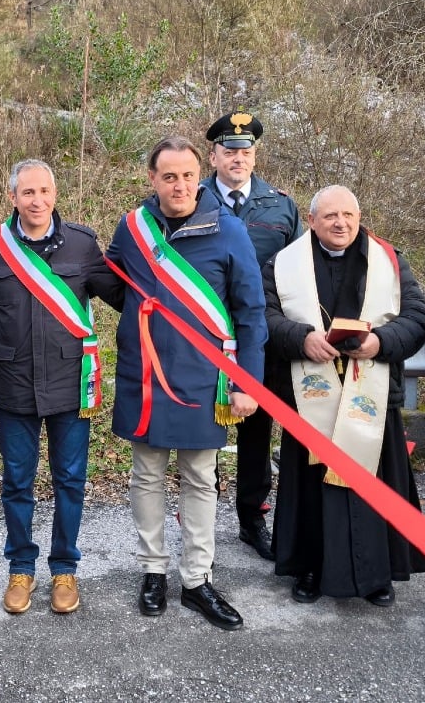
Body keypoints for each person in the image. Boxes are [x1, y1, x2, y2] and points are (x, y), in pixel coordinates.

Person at [106, 136, 267, 630]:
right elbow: (116, 282)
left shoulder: (229, 230)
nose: (179, 185)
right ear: (152, 179)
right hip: (146, 374)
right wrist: (144, 320)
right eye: (168, 176)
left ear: (201, 176)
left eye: (187, 175)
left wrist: (249, 383)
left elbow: (251, 310)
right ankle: (153, 570)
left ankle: (197, 579)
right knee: (147, 475)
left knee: (200, 478)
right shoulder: (133, 229)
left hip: (205, 380)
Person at [0, 160, 123, 615]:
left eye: (45, 191)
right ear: (13, 198)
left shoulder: (83, 244)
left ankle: (64, 568)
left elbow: (119, 294)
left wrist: (157, 288)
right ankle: (21, 569)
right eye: (28, 193)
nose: (37, 201)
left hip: (69, 385)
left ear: (55, 193)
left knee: (69, 481)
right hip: (14, 387)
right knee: (17, 482)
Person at [263, 185, 425, 608]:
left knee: (375, 487)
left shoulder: (389, 261)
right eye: (331, 216)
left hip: (370, 393)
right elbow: (263, 316)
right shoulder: (283, 264)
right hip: (311, 391)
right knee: (311, 487)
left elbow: (416, 317)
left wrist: (382, 342)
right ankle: (310, 568)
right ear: (312, 218)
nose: (341, 224)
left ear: (358, 217)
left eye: (348, 216)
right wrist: (301, 338)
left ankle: (378, 574)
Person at [200, 108, 302, 561]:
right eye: (229, 150)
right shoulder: (192, 198)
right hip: (202, 336)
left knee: (257, 427)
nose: (237, 158)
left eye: (245, 151)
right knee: (202, 428)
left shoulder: (281, 206)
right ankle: (199, 513)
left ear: (255, 156)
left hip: (259, 335)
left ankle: (251, 516)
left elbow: (300, 271)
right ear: (213, 155)